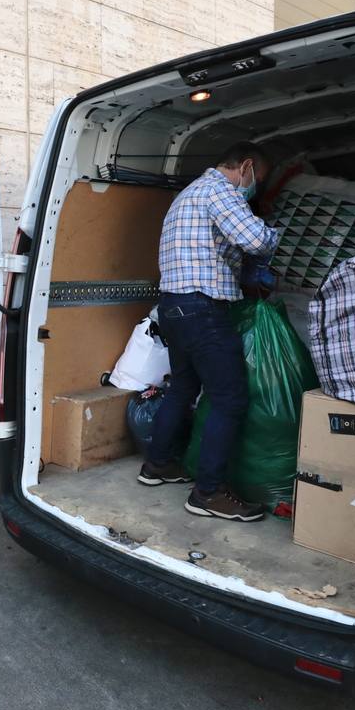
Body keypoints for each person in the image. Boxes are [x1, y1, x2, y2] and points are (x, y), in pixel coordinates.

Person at [136, 142, 279, 522]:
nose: (254, 189)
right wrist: (276, 234)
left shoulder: (189, 194)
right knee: (230, 398)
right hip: (202, 309)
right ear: (245, 167)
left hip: (173, 307)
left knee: (183, 386)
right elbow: (256, 240)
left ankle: (158, 464)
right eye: (257, 181)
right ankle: (209, 492)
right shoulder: (220, 191)